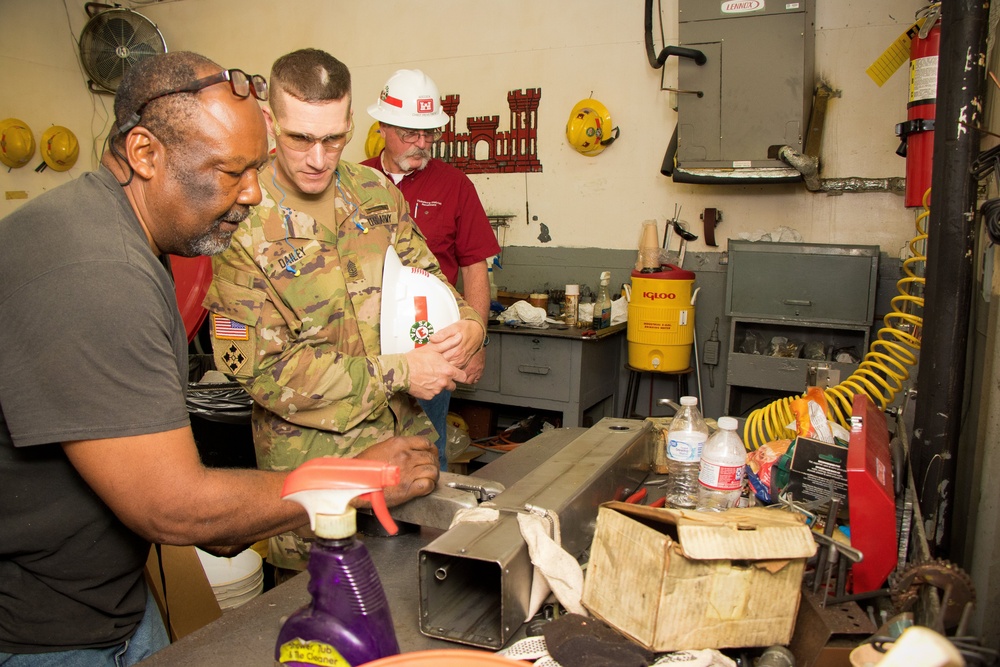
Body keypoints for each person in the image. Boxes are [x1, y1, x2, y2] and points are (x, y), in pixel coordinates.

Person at [0, 51, 321, 665]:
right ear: (145, 154)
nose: (253, 193)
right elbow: (173, 506)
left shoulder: (111, 227)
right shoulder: (98, 270)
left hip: (107, 597)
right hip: (43, 633)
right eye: (230, 171)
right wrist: (347, 484)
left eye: (258, 168)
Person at [203, 49, 486, 574]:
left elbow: (429, 277)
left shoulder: (375, 193)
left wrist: (468, 322)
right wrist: (403, 370)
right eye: (300, 138)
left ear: (353, 123)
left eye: (333, 138)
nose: (318, 157)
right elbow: (261, 372)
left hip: (408, 468)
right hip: (319, 486)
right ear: (270, 121)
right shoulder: (235, 220)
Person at [362, 69, 500, 470]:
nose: (422, 144)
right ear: (384, 126)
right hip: (367, 358)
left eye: (430, 133)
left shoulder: (455, 186)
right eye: (410, 133)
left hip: (432, 347)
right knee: (366, 462)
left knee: (424, 460)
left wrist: (477, 341)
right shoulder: (354, 182)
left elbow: (476, 268)